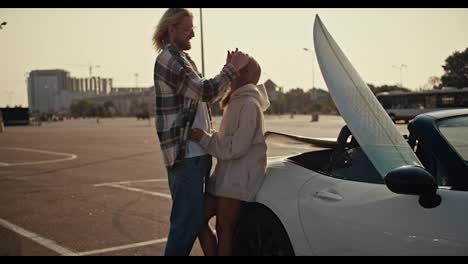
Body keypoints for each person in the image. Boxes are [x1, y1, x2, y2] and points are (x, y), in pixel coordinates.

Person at [152, 8, 250, 256]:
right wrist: (233, 69)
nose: (193, 35)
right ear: (171, 29)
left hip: (197, 154)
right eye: (188, 29)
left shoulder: (182, 59)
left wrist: (227, 70)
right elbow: (205, 91)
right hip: (187, 157)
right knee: (184, 227)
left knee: (193, 222)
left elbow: (206, 94)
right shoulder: (170, 59)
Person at [189, 57, 270, 256]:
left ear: (242, 75)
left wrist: (205, 139)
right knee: (196, 220)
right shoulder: (236, 101)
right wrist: (230, 66)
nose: (231, 71)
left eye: (236, 69)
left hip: (237, 181)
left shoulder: (250, 104)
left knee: (225, 229)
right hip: (224, 178)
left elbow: (237, 147)